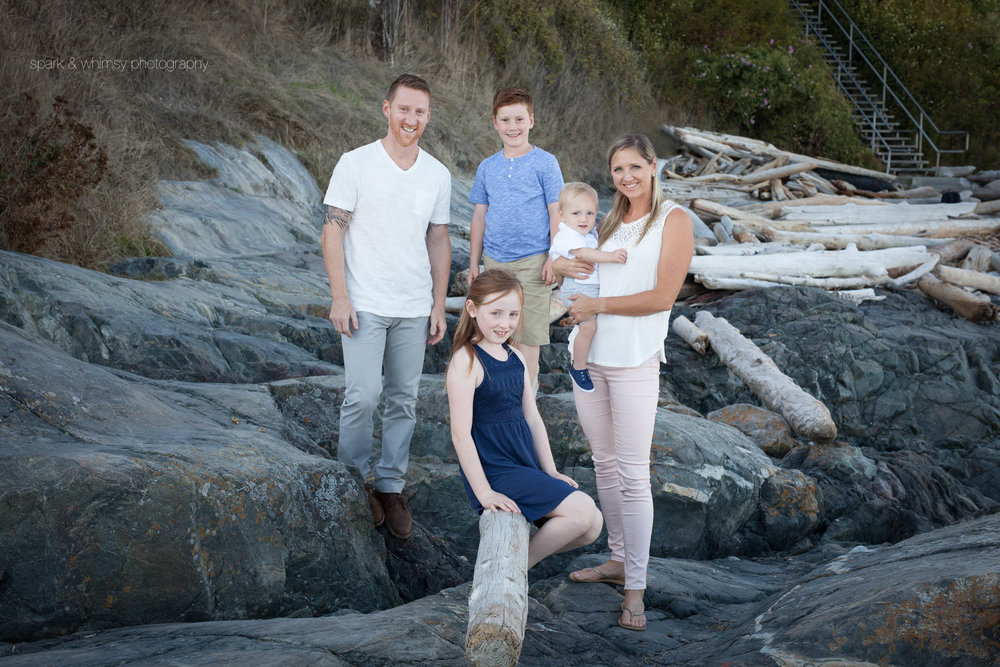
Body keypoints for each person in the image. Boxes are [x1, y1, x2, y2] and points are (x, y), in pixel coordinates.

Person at [555, 134, 693, 631]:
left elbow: (662, 297)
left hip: (634, 358)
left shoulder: (672, 220)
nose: (626, 176)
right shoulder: (606, 219)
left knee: (634, 473)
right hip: (589, 357)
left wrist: (597, 306)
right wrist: (564, 274)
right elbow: (580, 270)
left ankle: (636, 588)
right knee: (605, 465)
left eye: (635, 166)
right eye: (617, 169)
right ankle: (616, 560)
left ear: (654, 167)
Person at [321, 73, 452, 540]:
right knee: (362, 395)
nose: (410, 119)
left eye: (419, 112)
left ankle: (391, 485)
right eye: (403, 109)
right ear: (386, 109)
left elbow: (438, 239)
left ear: (427, 116)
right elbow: (333, 229)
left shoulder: (437, 174)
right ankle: (355, 481)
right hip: (364, 303)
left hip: (414, 307)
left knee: (405, 399)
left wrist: (439, 304)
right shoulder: (355, 164)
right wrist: (340, 295)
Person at [446, 269, 603, 568]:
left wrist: (552, 471)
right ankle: (515, 565)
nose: (505, 323)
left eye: (513, 315)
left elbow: (532, 419)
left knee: (593, 526)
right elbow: (460, 434)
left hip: (522, 460)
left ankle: (513, 560)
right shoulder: (466, 360)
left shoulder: (515, 357)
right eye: (496, 313)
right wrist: (484, 492)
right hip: (495, 468)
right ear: (472, 308)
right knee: (582, 510)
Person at [468, 86, 564, 388]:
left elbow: (556, 213)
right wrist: (474, 264)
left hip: (534, 261)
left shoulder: (545, 163)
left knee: (529, 333)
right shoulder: (487, 167)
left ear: (531, 121)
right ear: (495, 122)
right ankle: (496, 390)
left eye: (519, 120)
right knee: (494, 328)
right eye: (506, 120)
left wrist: (554, 256)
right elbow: (479, 216)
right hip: (495, 262)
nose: (513, 127)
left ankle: (527, 397)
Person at [548, 182, 627, 393]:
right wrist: (611, 257)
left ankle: (588, 362)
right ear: (562, 215)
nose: (584, 219)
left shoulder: (588, 233)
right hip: (577, 287)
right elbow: (583, 254)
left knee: (592, 327)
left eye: (590, 213)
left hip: (586, 287)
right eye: (576, 213)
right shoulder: (567, 234)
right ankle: (578, 367)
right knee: (588, 327)